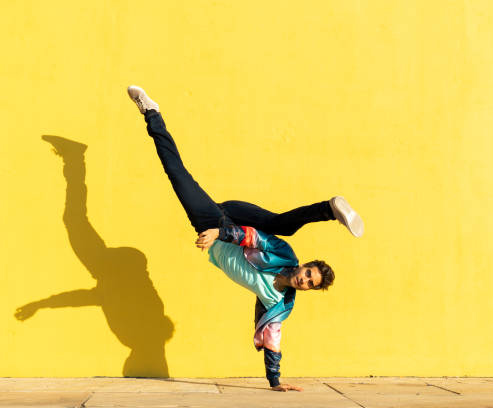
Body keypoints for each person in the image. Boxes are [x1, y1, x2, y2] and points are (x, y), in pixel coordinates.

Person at [127, 86, 363, 391]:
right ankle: (329, 209)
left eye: (310, 283)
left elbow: (273, 338)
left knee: (182, 178)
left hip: (219, 228)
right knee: (278, 225)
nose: (304, 280)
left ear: (310, 289)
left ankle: (152, 114)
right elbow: (252, 237)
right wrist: (219, 233)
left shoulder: (279, 304)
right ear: (305, 265)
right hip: (228, 225)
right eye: (308, 273)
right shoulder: (285, 254)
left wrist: (275, 382)